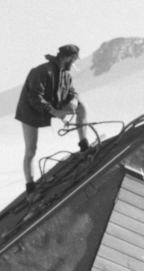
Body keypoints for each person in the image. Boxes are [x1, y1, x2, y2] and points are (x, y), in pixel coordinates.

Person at [14, 43, 90, 194]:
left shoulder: (65, 75)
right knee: (31, 150)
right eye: (74, 59)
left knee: (82, 107)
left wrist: (74, 101)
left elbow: (72, 92)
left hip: (51, 108)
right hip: (30, 112)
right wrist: (56, 112)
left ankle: (84, 146)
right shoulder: (42, 71)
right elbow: (34, 97)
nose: (74, 63)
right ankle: (30, 188)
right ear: (68, 58)